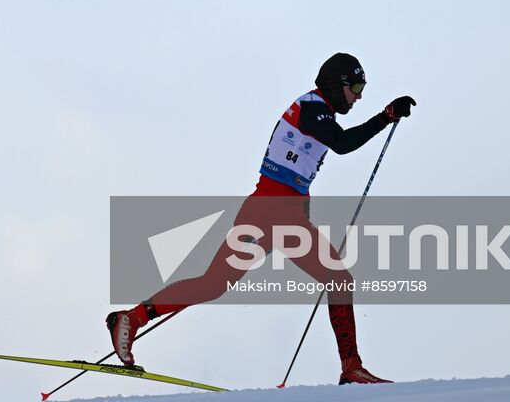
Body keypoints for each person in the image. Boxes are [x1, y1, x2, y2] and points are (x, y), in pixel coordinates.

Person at [105, 52, 415, 385]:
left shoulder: (319, 112)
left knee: (214, 284)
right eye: (356, 87)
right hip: (273, 213)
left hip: (274, 214)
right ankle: (351, 369)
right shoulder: (313, 109)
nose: (359, 96)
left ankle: (131, 318)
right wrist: (385, 116)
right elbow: (342, 144)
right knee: (338, 279)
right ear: (337, 85)